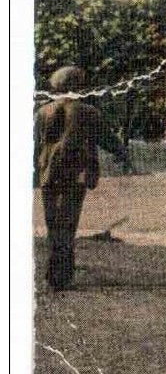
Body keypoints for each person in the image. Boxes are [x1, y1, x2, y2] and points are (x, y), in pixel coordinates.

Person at [33, 66, 129, 292]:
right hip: (75, 175)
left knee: (53, 223)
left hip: (48, 173)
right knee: (68, 223)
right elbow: (108, 139)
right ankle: (62, 275)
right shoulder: (88, 112)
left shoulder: (43, 112)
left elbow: (33, 145)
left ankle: (53, 273)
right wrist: (123, 156)